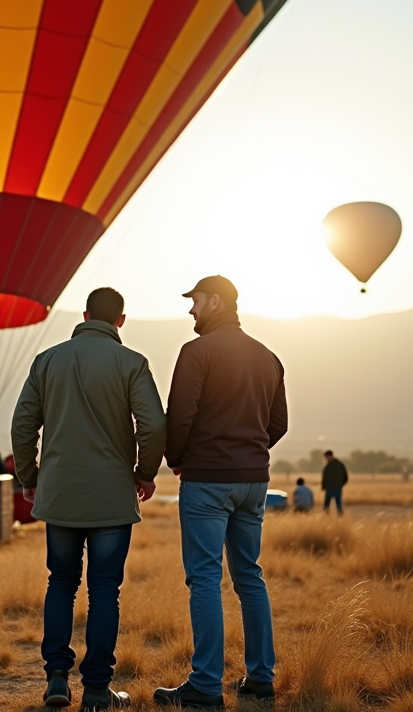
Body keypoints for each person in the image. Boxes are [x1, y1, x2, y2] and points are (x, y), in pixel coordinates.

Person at [12, 287, 166, 711]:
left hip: (60, 493)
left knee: (60, 583)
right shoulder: (132, 363)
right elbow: (153, 425)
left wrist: (30, 477)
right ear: (120, 320)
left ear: (84, 315)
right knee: (104, 592)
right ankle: (97, 690)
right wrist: (144, 474)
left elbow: (23, 426)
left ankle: (56, 679)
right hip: (112, 497)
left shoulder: (47, 361)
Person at [155, 276, 287, 709]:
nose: (191, 310)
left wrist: (176, 458)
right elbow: (278, 424)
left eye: (194, 302)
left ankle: (207, 685)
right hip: (255, 480)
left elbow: (181, 415)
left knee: (206, 579)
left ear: (215, 301)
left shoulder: (196, 353)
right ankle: (261, 678)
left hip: (207, 479)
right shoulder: (269, 357)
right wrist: (248, 451)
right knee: (250, 576)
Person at [322, 450, 348, 514]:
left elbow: (345, 477)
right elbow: (346, 477)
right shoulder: (340, 465)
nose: (326, 459)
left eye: (327, 457)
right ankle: (335, 518)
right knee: (335, 505)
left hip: (334, 488)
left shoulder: (329, 466)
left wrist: (340, 484)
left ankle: (330, 518)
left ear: (330, 456)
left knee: (329, 505)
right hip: (333, 488)